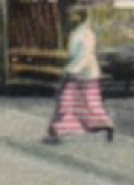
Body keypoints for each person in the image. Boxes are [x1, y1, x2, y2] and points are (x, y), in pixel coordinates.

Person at [46, 9, 115, 144]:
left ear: (81, 18)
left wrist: (73, 70)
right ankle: (60, 130)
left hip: (86, 74)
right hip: (77, 73)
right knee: (68, 101)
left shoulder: (87, 34)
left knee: (88, 102)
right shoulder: (76, 32)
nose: (71, 19)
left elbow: (85, 56)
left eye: (74, 16)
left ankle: (105, 124)